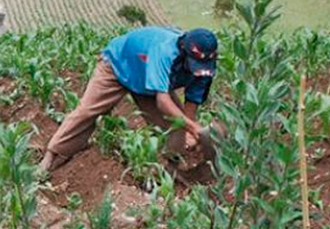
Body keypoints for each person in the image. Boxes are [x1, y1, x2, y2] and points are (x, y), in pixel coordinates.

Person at [39, 26, 218, 173]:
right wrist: (194, 128)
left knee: (176, 125)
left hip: (147, 83)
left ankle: (172, 170)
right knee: (88, 110)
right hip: (118, 66)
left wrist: (190, 130)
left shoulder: (205, 67)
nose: (198, 69)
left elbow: (192, 102)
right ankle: (52, 155)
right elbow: (163, 102)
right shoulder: (165, 51)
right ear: (184, 51)